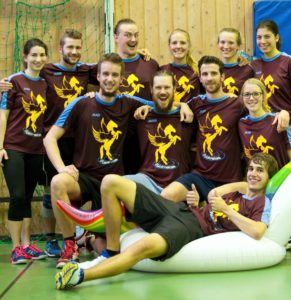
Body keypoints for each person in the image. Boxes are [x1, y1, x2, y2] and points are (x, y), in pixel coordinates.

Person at [54, 152, 278, 289]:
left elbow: (258, 231)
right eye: (250, 169)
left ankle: (80, 275)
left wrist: (227, 211)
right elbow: (212, 198)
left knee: (141, 248)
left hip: (190, 227)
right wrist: (199, 201)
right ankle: (109, 252)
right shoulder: (237, 192)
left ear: (269, 177)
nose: (253, 174)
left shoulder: (262, 203)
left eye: (260, 171)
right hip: (179, 209)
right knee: (111, 182)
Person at [43, 53, 168, 269]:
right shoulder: (81, 103)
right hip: (84, 177)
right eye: (106, 74)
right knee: (57, 182)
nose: (110, 79)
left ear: (122, 79)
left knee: (109, 247)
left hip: (112, 183)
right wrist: (62, 168)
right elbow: (49, 138)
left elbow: (163, 104)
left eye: (115, 75)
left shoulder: (129, 102)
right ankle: (70, 245)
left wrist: (183, 107)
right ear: (98, 76)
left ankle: (91, 240)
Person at [77, 69, 194, 270]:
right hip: (146, 181)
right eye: (158, 88)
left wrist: (183, 104)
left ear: (175, 90)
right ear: (151, 90)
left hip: (177, 184)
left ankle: (90, 239)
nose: (163, 91)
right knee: (110, 181)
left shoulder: (188, 117)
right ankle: (108, 249)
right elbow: (110, 109)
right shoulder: (140, 117)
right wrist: (90, 98)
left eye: (167, 87)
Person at [40, 29, 99, 257]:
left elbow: (110, 69)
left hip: (79, 140)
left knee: (76, 187)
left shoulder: (85, 71)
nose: (74, 52)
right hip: (52, 138)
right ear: (60, 49)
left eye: (77, 48)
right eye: (69, 47)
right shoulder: (46, 70)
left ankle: (78, 235)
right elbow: (25, 76)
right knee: (50, 189)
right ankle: (50, 239)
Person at [160, 56, 244, 203]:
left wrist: (281, 114)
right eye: (205, 74)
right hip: (200, 177)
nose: (209, 78)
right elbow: (166, 104)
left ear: (222, 76)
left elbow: (262, 113)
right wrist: (182, 105)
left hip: (230, 181)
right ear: (200, 78)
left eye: (213, 73)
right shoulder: (196, 103)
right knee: (166, 196)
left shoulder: (237, 104)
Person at [0, 38, 48, 264]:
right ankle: (16, 247)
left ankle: (28, 244)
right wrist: (0, 146)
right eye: (34, 55)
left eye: (42, 55)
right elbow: (3, 115)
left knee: (28, 197)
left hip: (36, 149)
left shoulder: (45, 84)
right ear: (26, 57)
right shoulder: (13, 82)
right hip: (14, 148)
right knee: (17, 196)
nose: (38, 59)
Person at [114, 18, 160, 174]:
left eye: (136, 35)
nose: (133, 39)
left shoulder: (150, 64)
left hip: (145, 132)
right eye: (127, 35)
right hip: (117, 132)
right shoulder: (108, 63)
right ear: (116, 38)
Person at [251, 20, 291, 155]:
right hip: (265, 130)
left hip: (288, 129)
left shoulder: (290, 61)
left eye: (267, 36)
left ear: (277, 37)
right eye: (259, 37)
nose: (262, 41)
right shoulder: (254, 65)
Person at [239, 78, 291, 169]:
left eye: (256, 94)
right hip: (256, 180)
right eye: (247, 94)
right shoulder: (241, 124)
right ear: (242, 97)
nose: (251, 98)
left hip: (279, 180)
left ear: (263, 96)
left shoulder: (279, 120)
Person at [160, 28, 204, 103]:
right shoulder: (162, 70)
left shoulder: (198, 71)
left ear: (189, 45)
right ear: (169, 46)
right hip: (168, 114)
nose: (178, 46)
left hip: (192, 114)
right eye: (174, 43)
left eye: (183, 43)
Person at [217, 28, 254, 95]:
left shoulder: (248, 70)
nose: (226, 46)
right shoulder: (212, 67)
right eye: (222, 42)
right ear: (218, 44)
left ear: (238, 46)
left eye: (231, 43)